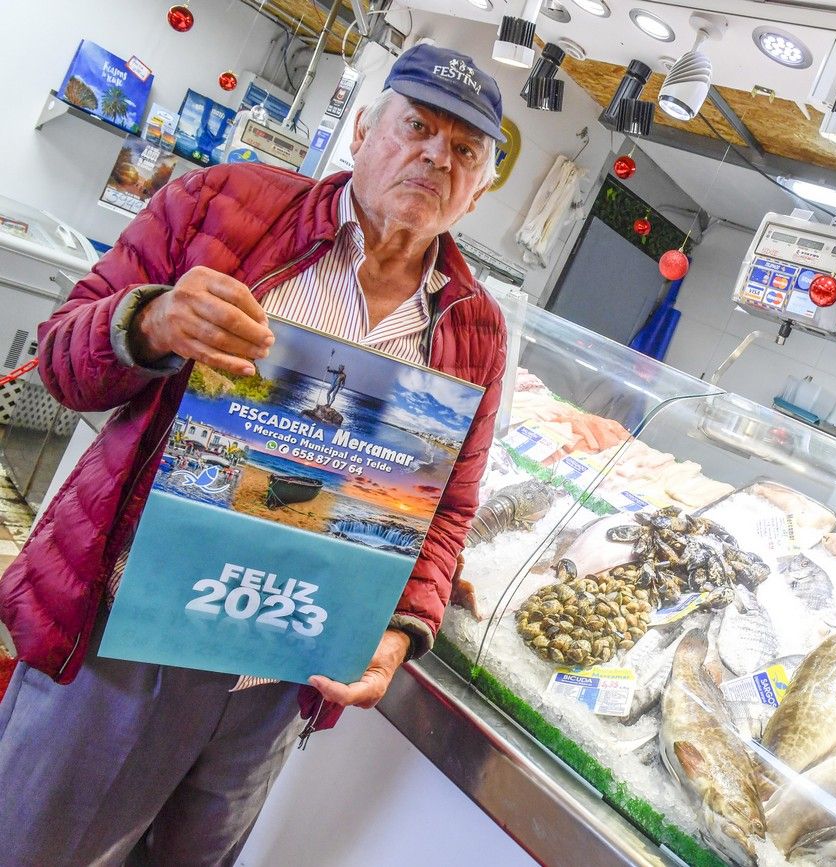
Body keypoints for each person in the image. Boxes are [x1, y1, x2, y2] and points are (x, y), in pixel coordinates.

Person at [0, 45, 508, 864]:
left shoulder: (474, 327)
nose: (433, 158)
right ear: (362, 131)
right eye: (415, 127)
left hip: (275, 684)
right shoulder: (223, 202)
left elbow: (448, 507)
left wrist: (400, 631)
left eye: (464, 151)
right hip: (123, 643)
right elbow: (62, 358)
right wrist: (150, 322)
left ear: (479, 189)